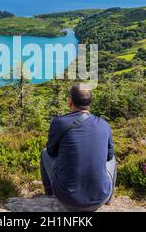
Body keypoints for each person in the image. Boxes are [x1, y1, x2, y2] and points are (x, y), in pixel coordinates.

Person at [40, 84, 117, 212]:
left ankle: (50, 194)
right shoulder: (104, 124)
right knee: (113, 158)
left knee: (44, 153)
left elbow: (51, 152)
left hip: (66, 199)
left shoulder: (59, 123)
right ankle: (109, 199)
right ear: (90, 103)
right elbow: (109, 157)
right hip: (100, 199)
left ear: (70, 101)